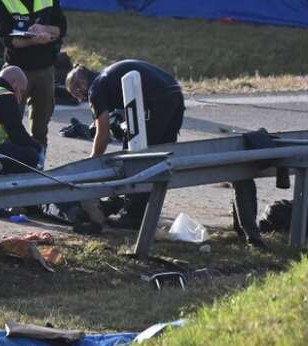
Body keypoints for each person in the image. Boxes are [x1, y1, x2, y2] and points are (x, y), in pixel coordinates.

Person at [66, 60, 213, 231]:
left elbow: (103, 133)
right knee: (158, 156)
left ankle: (134, 215)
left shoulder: (95, 89)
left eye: (77, 95)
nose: (81, 100)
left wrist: (92, 161)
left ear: (81, 85)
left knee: (136, 156)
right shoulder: (108, 78)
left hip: (156, 100)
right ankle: (133, 206)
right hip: (174, 93)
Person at [0, 0, 66, 152]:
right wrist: (32, 40)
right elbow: (7, 40)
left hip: (44, 69)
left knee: (41, 125)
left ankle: (38, 162)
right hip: (16, 70)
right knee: (9, 124)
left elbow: (61, 28)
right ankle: (9, 162)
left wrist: (45, 31)